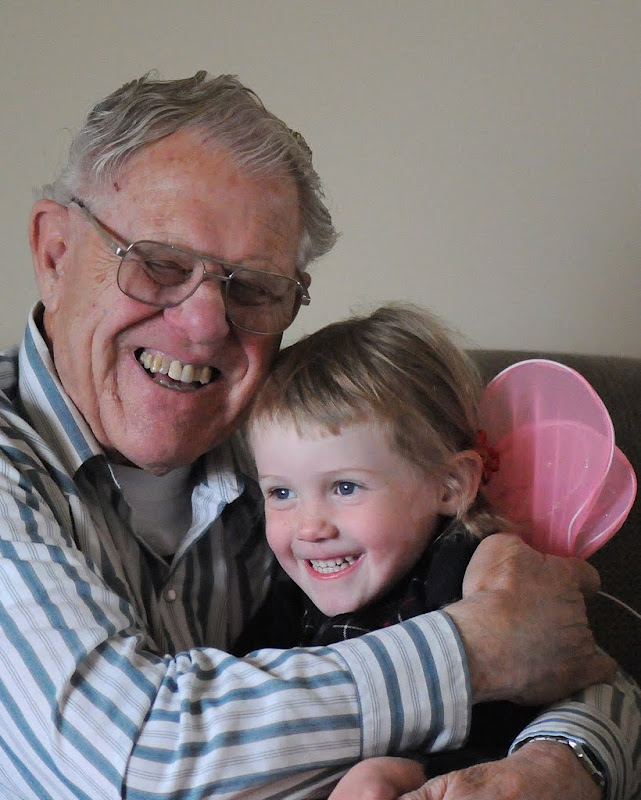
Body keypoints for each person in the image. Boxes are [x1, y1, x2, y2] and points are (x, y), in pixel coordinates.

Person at [0, 69, 635, 800]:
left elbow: (570, 651)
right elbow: (130, 765)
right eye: (161, 264)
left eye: (252, 288)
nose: (205, 325)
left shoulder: (297, 444)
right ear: (54, 252)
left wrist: (558, 763)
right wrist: (481, 649)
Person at [241, 303, 640, 799]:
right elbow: (250, 698)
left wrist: (406, 773)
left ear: (450, 485)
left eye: (345, 487)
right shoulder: (283, 593)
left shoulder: (475, 576)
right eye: (281, 493)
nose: (308, 527)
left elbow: (524, 717)